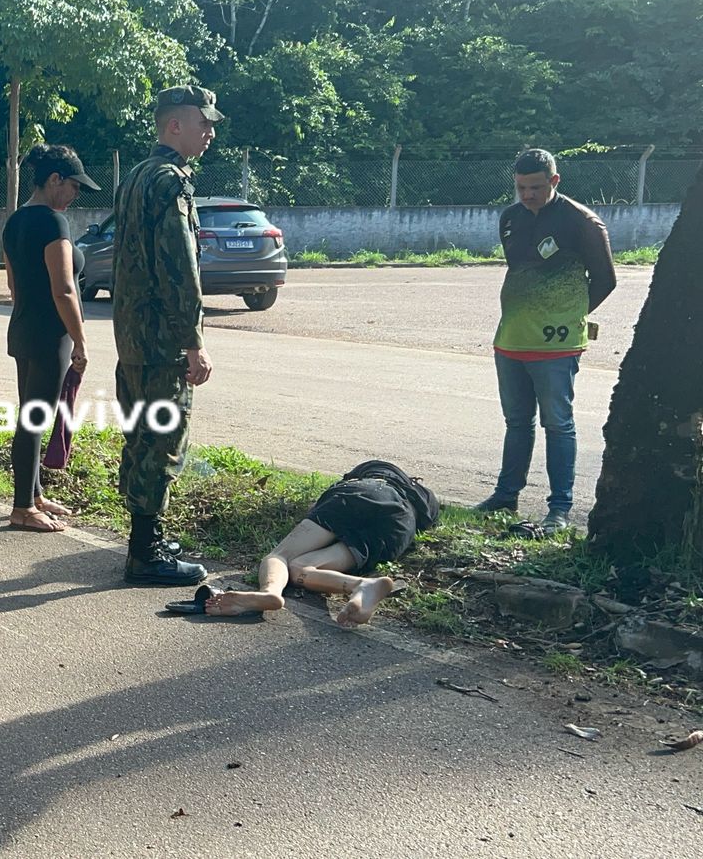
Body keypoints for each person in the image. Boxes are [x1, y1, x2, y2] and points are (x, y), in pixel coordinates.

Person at [110, 85, 226, 586]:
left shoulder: (135, 176)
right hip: (161, 342)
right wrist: (193, 340)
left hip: (132, 337)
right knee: (163, 442)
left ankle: (143, 539)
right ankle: (145, 554)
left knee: (139, 436)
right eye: (204, 122)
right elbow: (180, 266)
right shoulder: (170, 181)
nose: (210, 132)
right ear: (175, 124)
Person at [473, 149, 617, 533]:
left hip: (557, 344)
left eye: (536, 187)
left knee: (559, 423)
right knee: (517, 421)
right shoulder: (510, 218)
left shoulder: (583, 222)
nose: (528, 194)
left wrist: (567, 315)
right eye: (521, 187)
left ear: (554, 181)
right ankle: (506, 494)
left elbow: (606, 280)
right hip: (512, 338)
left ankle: (559, 508)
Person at [169, 460, 438, 626]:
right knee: (301, 569)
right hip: (399, 526)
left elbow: (331, 496)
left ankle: (271, 592)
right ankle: (362, 586)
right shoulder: (426, 502)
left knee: (282, 556)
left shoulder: (369, 472)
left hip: (360, 495)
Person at [1, 144, 100, 532]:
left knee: (31, 413)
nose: (76, 196)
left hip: (23, 327)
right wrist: (80, 339)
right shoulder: (53, 223)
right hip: (50, 334)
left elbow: (12, 285)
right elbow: (64, 289)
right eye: (74, 186)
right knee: (35, 418)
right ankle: (22, 507)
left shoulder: (14, 222)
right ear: (54, 179)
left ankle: (35, 494)